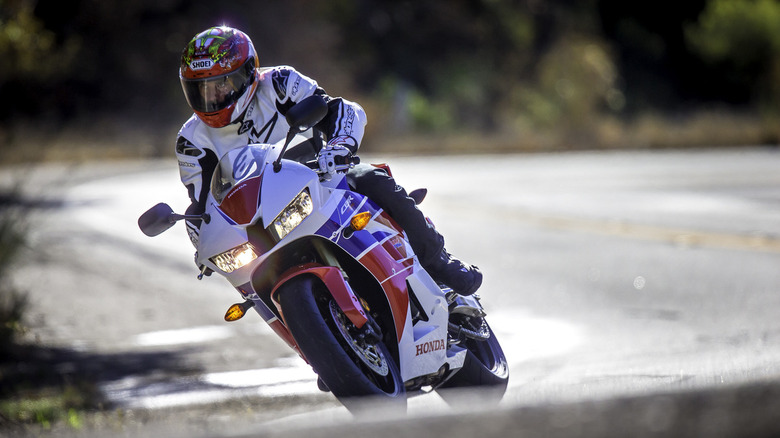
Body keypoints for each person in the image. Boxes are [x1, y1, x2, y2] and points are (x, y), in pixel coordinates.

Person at [175, 26, 481, 295]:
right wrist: (203, 240)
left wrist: (339, 147)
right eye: (199, 89)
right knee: (249, 284)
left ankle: (439, 262)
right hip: (257, 216)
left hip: (320, 174)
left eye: (220, 85)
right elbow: (201, 205)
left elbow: (338, 110)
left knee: (371, 178)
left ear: (247, 73)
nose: (211, 98)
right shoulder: (191, 140)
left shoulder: (280, 83)